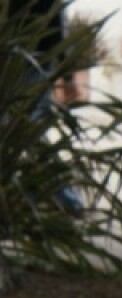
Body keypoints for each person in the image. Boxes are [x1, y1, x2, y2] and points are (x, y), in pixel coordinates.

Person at [7, 0, 84, 214]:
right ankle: (35, 195)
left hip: (33, 62)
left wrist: (67, 75)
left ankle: (67, 199)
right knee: (24, 132)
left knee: (31, 132)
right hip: (22, 60)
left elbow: (57, 27)